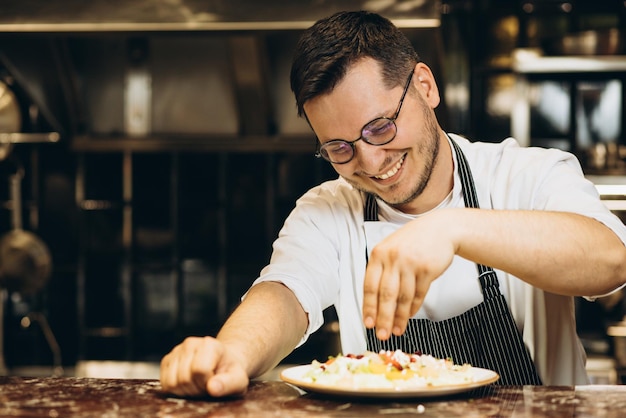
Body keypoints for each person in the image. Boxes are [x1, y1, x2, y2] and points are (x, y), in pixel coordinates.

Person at [160, 11, 626, 397]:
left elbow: (610, 260)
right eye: (339, 148)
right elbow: (284, 293)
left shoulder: (526, 175)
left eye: (379, 127)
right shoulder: (328, 209)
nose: (370, 161)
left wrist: (453, 229)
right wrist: (231, 355)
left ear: (425, 87)